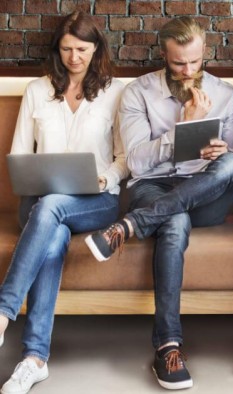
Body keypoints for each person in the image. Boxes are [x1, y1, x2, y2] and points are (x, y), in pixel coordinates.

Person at [83, 16, 233, 390]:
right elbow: (136, 162)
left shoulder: (226, 94)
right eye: (177, 63)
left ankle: (131, 226)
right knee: (173, 223)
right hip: (153, 187)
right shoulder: (138, 92)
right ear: (164, 55)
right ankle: (168, 346)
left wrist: (222, 150)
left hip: (205, 190)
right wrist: (182, 129)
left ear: (204, 50)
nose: (187, 71)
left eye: (194, 61)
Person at [0, 11, 127, 394]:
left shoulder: (116, 91)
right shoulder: (38, 91)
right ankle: (34, 360)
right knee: (51, 227)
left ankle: (3, 313)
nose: (74, 57)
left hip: (98, 200)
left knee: (52, 208)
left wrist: (107, 177)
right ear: (58, 50)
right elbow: (19, 154)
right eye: (67, 49)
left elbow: (125, 157)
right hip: (40, 205)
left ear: (96, 49)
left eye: (82, 49)